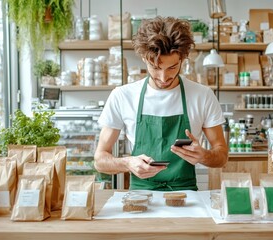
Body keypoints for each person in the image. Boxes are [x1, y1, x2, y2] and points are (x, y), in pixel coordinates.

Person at [94, 16, 228, 191]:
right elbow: (99, 160)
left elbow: (222, 156)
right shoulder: (122, 96)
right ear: (144, 58)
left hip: (186, 197)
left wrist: (203, 155)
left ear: (182, 59)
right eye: (156, 68)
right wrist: (127, 163)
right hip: (141, 198)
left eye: (172, 67)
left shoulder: (202, 95)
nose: (164, 78)